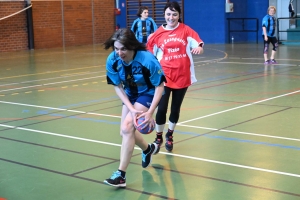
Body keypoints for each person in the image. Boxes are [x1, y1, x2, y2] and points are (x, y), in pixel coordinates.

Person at [103, 28, 166, 187]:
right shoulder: (113, 60)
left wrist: (150, 112)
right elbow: (117, 86)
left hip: (148, 93)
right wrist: (131, 108)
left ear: (132, 46)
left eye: (123, 48)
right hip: (130, 94)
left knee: (127, 126)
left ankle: (121, 176)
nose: (119, 52)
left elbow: (160, 86)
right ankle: (147, 149)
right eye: (116, 48)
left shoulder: (147, 60)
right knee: (125, 131)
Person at [147, 1, 204, 153]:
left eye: (174, 14)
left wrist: (199, 48)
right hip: (163, 77)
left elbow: (198, 42)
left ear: (179, 15)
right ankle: (158, 137)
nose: (171, 17)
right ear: (164, 15)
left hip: (182, 76)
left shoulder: (185, 30)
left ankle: (170, 135)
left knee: (175, 108)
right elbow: (149, 55)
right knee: (161, 108)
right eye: (168, 14)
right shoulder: (157, 34)